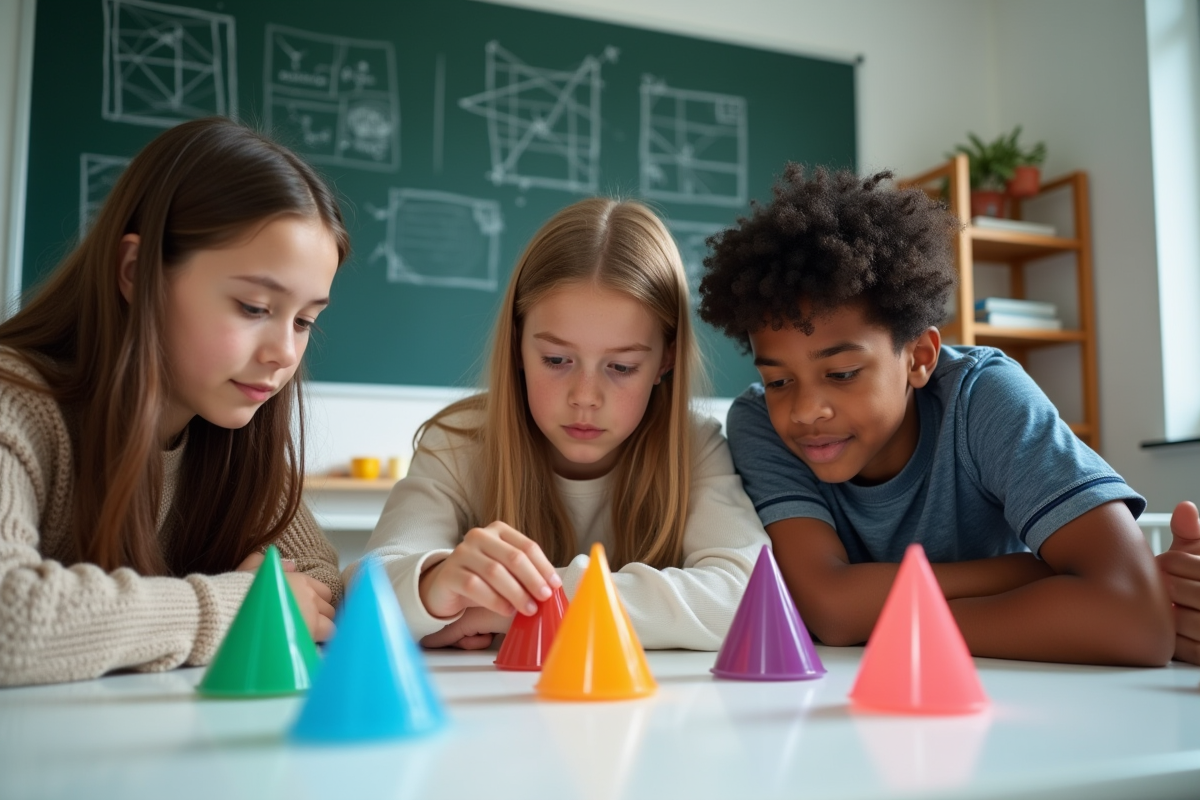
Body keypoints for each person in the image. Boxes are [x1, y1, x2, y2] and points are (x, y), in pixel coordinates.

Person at [698, 164, 1178, 666]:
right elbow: (832, 610)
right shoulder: (759, 422)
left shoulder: (981, 395)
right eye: (779, 381)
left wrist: (876, 611)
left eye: (841, 373)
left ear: (920, 358)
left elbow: (1135, 620)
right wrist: (1036, 574)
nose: (805, 410)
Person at [0, 118, 347, 687]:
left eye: (306, 320)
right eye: (254, 307)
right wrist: (239, 607)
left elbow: (317, 577)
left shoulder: (235, 431)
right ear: (136, 273)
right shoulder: (15, 400)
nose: (284, 352)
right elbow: (13, 619)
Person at [362, 198, 769, 650]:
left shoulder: (695, 447)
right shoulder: (458, 444)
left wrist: (511, 602)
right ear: (517, 344)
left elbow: (750, 599)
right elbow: (367, 593)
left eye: (622, 367)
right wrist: (433, 587)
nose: (585, 397)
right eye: (556, 359)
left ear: (665, 360)